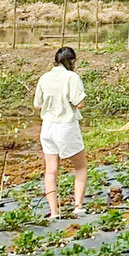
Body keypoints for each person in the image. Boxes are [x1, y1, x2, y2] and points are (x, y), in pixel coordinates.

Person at [33, 46, 87, 219]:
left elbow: (37, 105)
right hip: (66, 126)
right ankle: (78, 206)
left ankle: (54, 212)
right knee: (80, 167)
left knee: (50, 171)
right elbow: (80, 103)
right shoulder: (72, 77)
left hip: (47, 127)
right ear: (72, 61)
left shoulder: (44, 77)